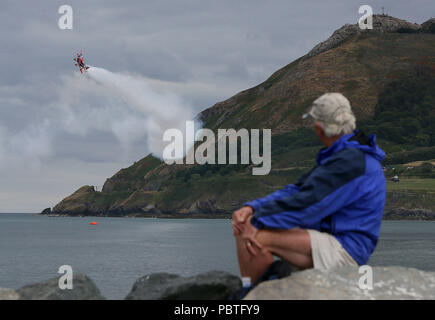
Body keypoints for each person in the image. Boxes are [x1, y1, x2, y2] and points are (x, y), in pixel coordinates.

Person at [232, 92, 386, 286]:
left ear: (319, 128)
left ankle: (253, 292)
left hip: (346, 248)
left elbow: (308, 204)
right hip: (334, 238)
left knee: (255, 237)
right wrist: (253, 208)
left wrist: (257, 220)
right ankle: (255, 287)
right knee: (244, 223)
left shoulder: (350, 162)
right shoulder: (344, 155)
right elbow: (297, 190)